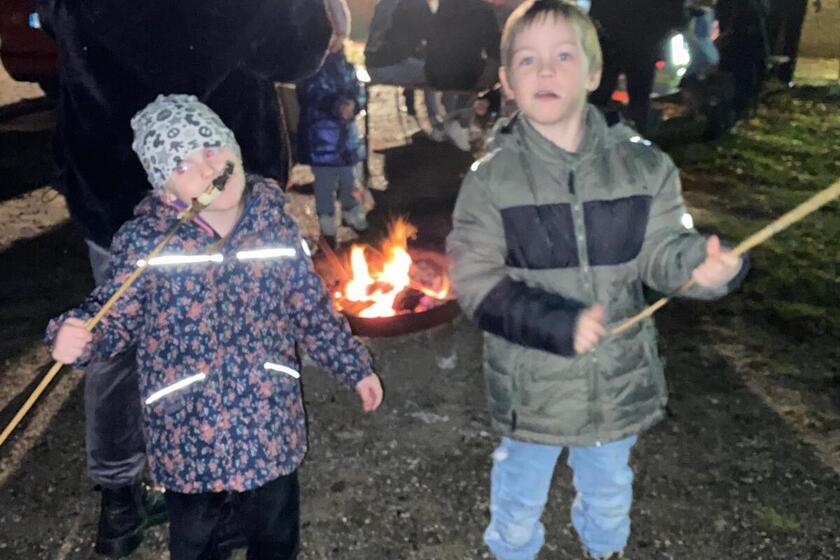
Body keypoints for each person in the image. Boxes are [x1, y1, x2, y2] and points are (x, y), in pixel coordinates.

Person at [446, 2, 747, 558]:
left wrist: (700, 267)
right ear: (507, 81)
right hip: (533, 387)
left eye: (564, 56)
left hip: (616, 379)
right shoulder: (491, 181)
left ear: (593, 73)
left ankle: (605, 547)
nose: (546, 70)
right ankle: (513, 550)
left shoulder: (644, 166)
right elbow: (475, 281)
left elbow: (663, 252)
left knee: (609, 487)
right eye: (528, 60)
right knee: (518, 490)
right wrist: (556, 324)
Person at [33, 1, 334, 555]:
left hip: (112, 180)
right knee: (238, 329)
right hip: (222, 193)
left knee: (118, 347)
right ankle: (233, 491)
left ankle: (121, 502)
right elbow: (298, 48)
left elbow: (54, 21)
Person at [46, 95, 384, 560]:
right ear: (167, 192)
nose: (207, 167)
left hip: (268, 428)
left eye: (211, 147)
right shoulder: (146, 243)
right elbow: (112, 317)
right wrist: (76, 335)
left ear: (234, 150)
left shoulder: (275, 228)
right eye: (183, 165)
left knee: (275, 539)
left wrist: (355, 368)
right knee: (196, 546)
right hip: (188, 437)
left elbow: (312, 312)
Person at [297, 48, 369, 247]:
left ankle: (351, 212)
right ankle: (327, 227)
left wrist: (355, 104)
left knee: (349, 180)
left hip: (346, 140)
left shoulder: (346, 66)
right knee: (325, 185)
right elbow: (311, 94)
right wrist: (335, 106)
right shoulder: (311, 66)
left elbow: (358, 90)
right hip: (322, 139)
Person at [588, 0, 685, 135]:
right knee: (637, 96)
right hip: (641, 38)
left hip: (617, 35)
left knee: (604, 91)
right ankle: (637, 135)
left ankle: (592, 131)